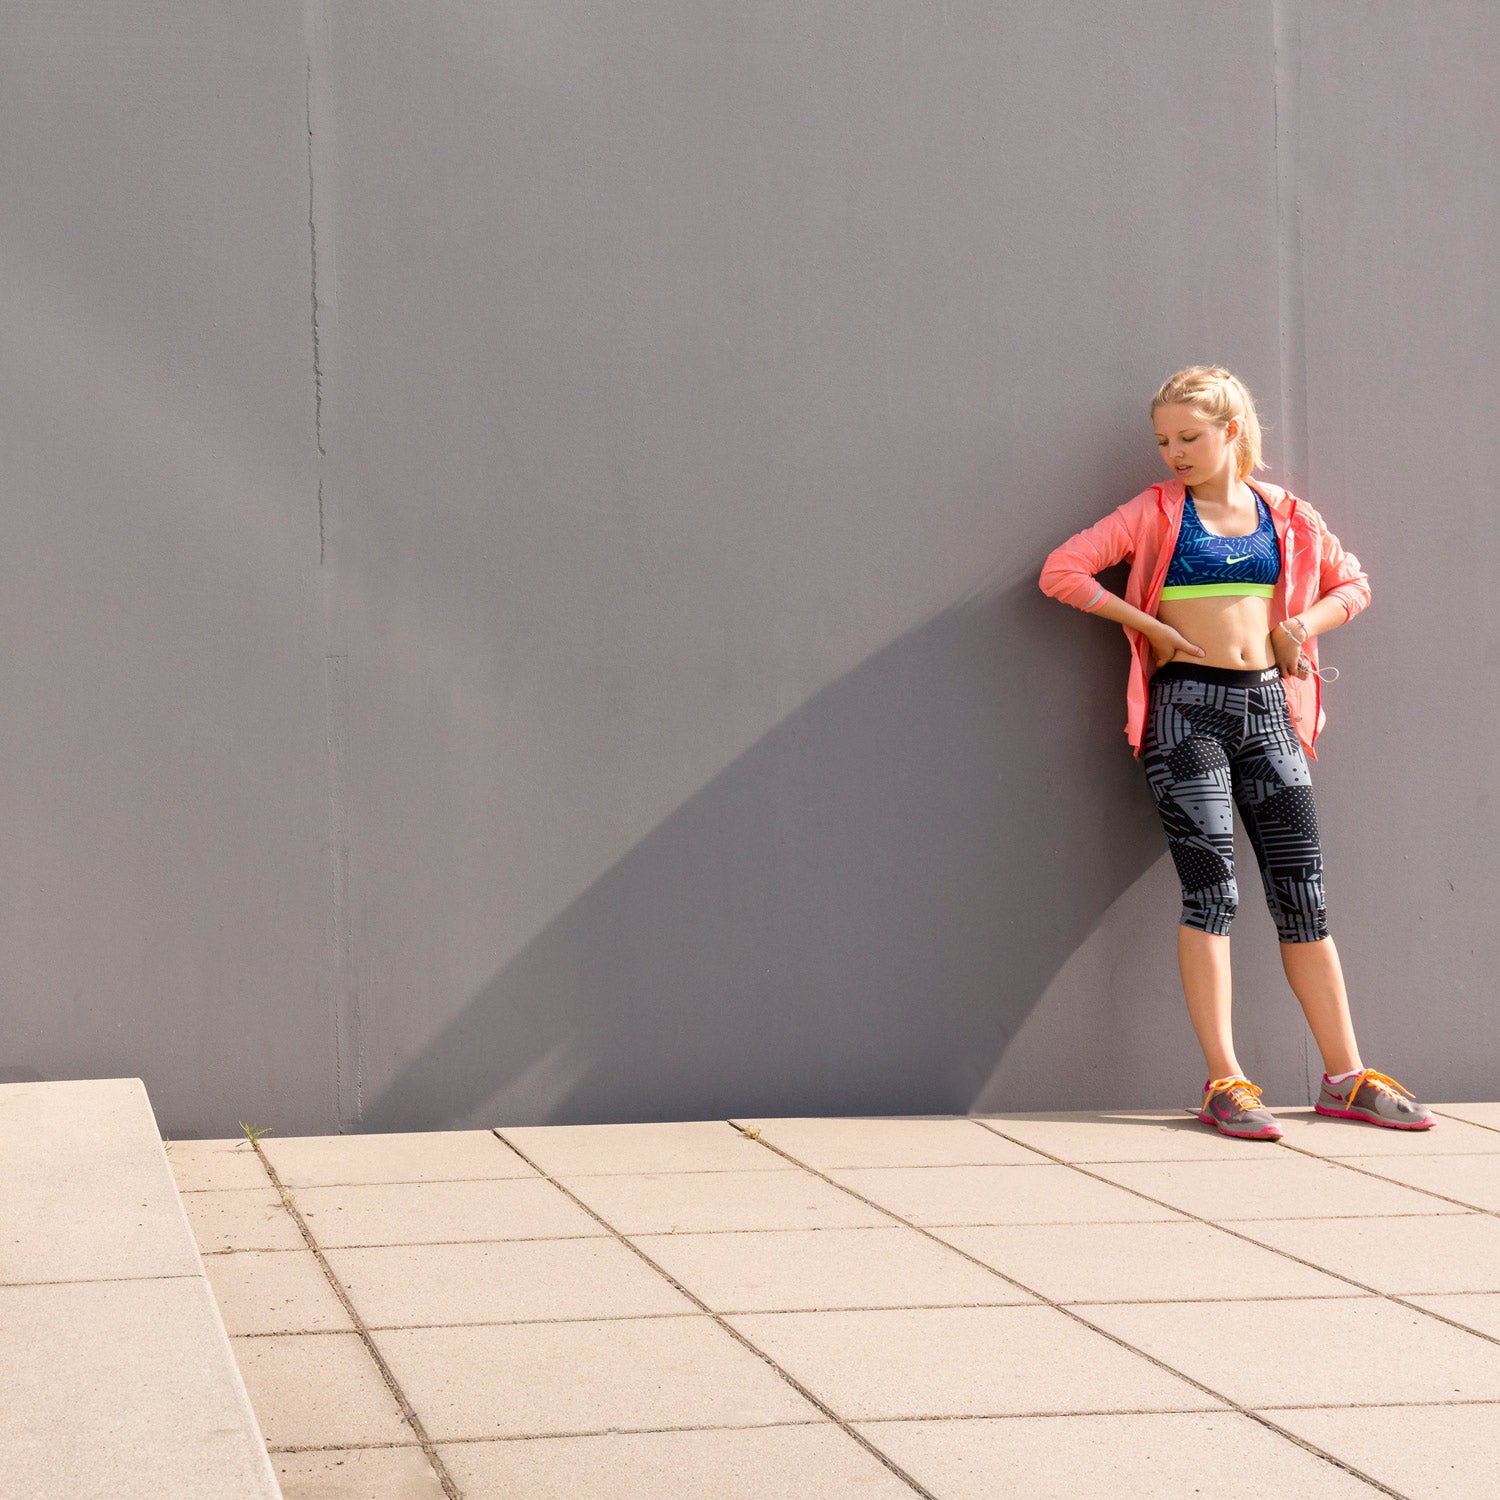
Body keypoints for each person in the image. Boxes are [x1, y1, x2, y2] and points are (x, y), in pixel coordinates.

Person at [1038, 365, 1433, 1140]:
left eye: (1189, 437)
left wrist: (1299, 629)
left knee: (1304, 898)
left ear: (1231, 432)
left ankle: (1346, 1076)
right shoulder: (1154, 513)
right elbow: (1064, 570)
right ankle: (1227, 1080)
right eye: (1163, 440)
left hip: (1267, 713)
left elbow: (1351, 585)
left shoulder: (1285, 514)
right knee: (1212, 894)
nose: (1174, 453)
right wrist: (1148, 628)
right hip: (1186, 714)